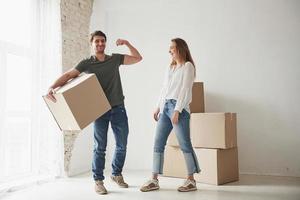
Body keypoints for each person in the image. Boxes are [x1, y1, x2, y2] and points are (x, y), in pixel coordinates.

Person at [46, 30, 142, 195]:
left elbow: (137, 58)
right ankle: (98, 181)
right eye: (97, 41)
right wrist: (52, 87)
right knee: (100, 147)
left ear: (105, 43)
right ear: (92, 43)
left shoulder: (114, 59)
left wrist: (126, 44)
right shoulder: (87, 63)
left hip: (118, 108)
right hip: (99, 110)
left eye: (102, 41)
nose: (100, 44)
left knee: (122, 145)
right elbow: (69, 75)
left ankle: (116, 174)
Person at [140, 38, 200, 192]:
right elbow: (164, 88)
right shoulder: (171, 67)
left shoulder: (188, 66)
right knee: (158, 143)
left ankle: (191, 180)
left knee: (184, 144)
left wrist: (178, 110)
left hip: (178, 108)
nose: (169, 51)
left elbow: (185, 90)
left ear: (180, 49)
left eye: (172, 48)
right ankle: (154, 179)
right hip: (166, 106)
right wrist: (158, 107)